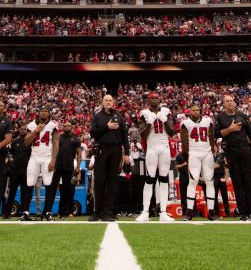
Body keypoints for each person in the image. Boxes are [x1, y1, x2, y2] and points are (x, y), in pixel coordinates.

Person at [215, 94, 251, 221]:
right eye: (227, 101)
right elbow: (217, 133)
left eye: (231, 100)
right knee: (237, 183)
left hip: (245, 149)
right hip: (231, 151)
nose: (230, 103)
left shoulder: (242, 115)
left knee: (249, 181)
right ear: (223, 104)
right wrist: (230, 129)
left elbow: (250, 134)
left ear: (234, 102)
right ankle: (243, 213)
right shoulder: (220, 117)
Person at [89, 94, 130, 222]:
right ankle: (97, 212)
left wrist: (127, 153)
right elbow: (93, 133)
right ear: (102, 102)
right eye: (106, 100)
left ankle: (108, 212)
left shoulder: (119, 116)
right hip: (101, 150)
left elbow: (124, 135)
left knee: (113, 182)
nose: (108, 102)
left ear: (113, 102)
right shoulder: (97, 116)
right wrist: (107, 127)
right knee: (99, 182)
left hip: (116, 150)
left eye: (110, 100)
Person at [135, 93, 175, 222]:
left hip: (164, 146)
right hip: (152, 146)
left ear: (160, 99)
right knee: (149, 178)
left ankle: (163, 212)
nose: (154, 99)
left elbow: (171, 132)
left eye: (156, 98)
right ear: (148, 100)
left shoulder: (166, 111)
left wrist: (164, 120)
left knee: (163, 178)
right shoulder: (144, 113)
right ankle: (145, 212)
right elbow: (143, 135)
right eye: (152, 98)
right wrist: (148, 124)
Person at [179, 104, 218, 221]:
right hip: (194, 153)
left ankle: (211, 211)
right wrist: (187, 155)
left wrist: (211, 150)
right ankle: (189, 212)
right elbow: (184, 142)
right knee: (193, 181)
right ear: (190, 111)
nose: (196, 112)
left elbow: (211, 137)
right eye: (193, 110)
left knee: (209, 181)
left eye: (197, 110)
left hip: (207, 153)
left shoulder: (207, 120)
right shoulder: (185, 122)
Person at [20, 109, 58, 220]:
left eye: (46, 111)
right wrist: (36, 130)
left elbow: (56, 143)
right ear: (38, 113)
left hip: (47, 157)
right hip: (34, 157)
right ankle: (25, 212)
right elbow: (26, 142)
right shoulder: (31, 125)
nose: (44, 113)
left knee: (49, 184)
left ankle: (48, 212)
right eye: (42, 111)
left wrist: (53, 160)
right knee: (29, 183)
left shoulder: (53, 125)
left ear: (49, 113)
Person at [43, 120, 81, 218]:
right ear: (63, 127)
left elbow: (79, 153)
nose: (67, 127)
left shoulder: (76, 139)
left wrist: (78, 166)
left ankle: (62, 213)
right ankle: (48, 211)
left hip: (69, 167)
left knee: (65, 191)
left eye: (69, 126)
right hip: (57, 167)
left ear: (71, 127)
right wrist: (52, 162)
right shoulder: (58, 137)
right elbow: (52, 150)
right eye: (65, 126)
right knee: (52, 189)